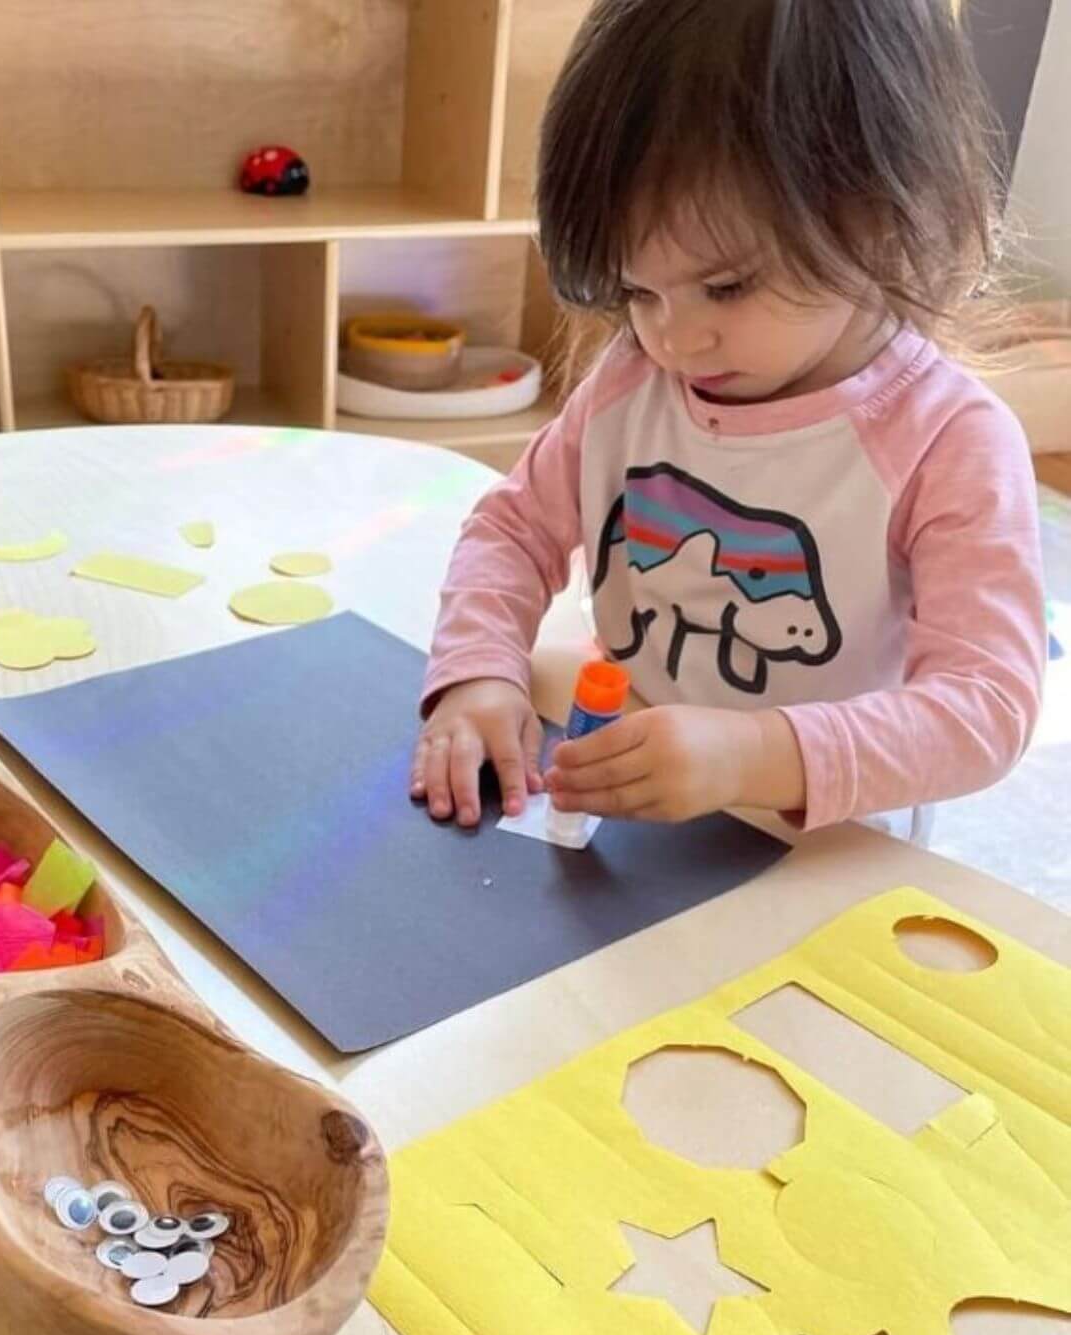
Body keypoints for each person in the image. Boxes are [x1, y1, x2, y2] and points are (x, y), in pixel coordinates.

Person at [412, 0, 1045, 837]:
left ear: (882, 217)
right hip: (634, 803)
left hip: (823, 846)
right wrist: (478, 673)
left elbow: (986, 707)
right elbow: (514, 526)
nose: (672, 336)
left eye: (727, 286)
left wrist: (753, 755)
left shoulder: (948, 440)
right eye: (639, 291)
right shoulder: (631, 382)